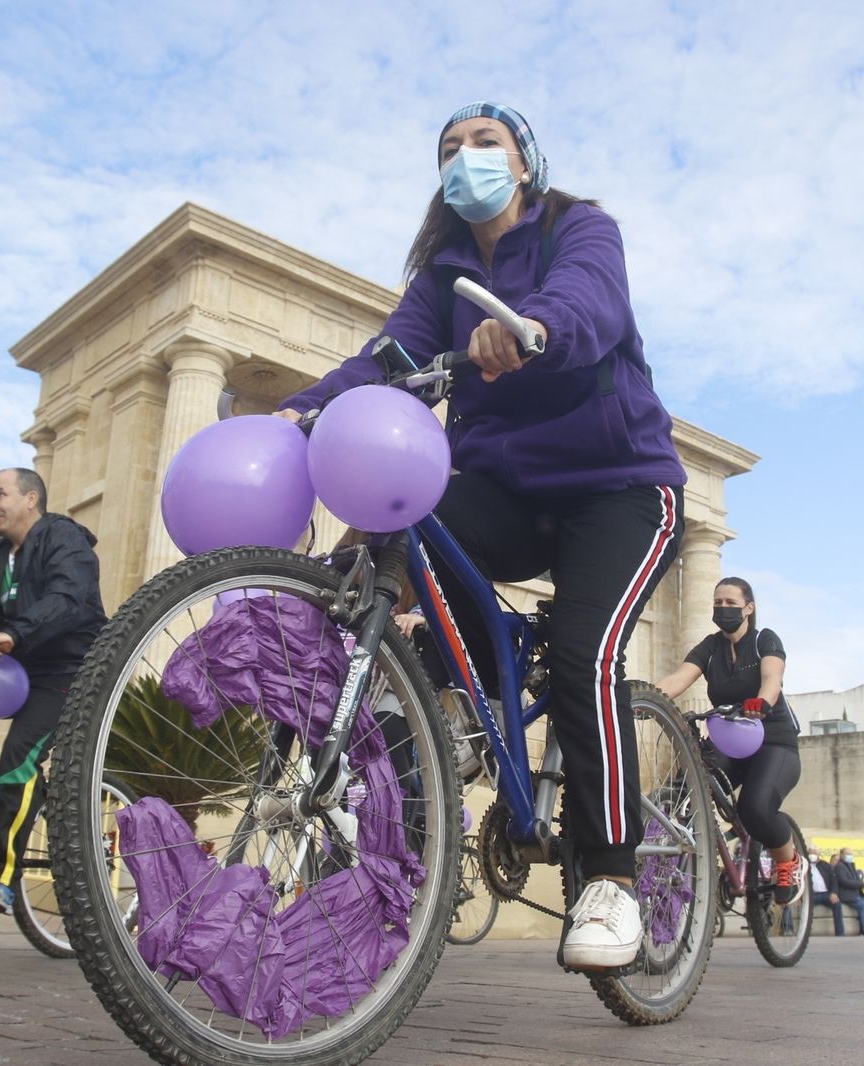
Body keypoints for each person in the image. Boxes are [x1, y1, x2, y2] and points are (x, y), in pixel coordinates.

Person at [276, 102, 687, 971]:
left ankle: (610, 880)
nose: (465, 159)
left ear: (524, 163)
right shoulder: (439, 279)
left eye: (484, 143)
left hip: (618, 489)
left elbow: (589, 303)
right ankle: (463, 706)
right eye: (449, 149)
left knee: (584, 656)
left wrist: (530, 328)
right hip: (509, 488)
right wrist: (308, 409)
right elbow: (386, 360)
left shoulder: (581, 227)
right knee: (411, 513)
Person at [0, 468, 106, 918]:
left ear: (31, 499)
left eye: (0, 494)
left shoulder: (63, 538)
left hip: (69, 670)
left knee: (20, 754)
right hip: (14, 668)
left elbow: (68, 597)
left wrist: (14, 633)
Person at [657, 577, 802, 904]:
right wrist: (641, 696)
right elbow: (679, 678)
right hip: (730, 741)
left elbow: (772, 678)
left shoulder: (764, 639)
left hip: (773, 741)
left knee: (756, 808)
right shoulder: (710, 648)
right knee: (685, 787)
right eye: (717, 603)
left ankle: (788, 862)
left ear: (748, 608)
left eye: (730, 603)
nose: (722, 609)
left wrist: (761, 702)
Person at [830, 848, 864, 935]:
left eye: (851, 854)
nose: (850, 856)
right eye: (847, 854)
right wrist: (861, 884)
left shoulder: (851, 865)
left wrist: (862, 884)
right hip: (847, 895)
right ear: (842, 855)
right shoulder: (840, 867)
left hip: (855, 894)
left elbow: (856, 880)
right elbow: (845, 881)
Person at [807, 846, 846, 936]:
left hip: (826, 894)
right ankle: (806, 934)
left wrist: (834, 893)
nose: (812, 855)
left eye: (814, 853)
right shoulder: (804, 866)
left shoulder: (825, 865)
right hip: (812, 895)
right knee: (806, 907)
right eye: (810, 853)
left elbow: (834, 881)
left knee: (837, 904)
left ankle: (840, 933)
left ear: (818, 855)